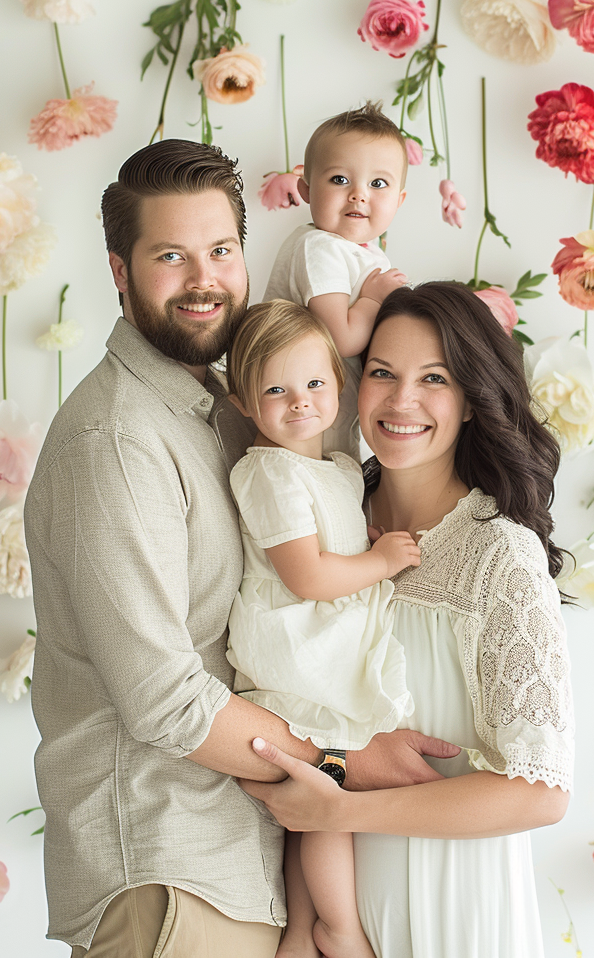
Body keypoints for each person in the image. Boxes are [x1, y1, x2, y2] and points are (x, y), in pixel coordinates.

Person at [24, 140, 459, 958]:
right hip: (167, 871)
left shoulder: (231, 414)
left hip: (236, 859)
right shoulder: (117, 439)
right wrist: (343, 759)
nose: (204, 280)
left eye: (221, 251)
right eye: (170, 256)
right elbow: (164, 699)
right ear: (119, 270)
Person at [241, 281, 575, 958]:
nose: (401, 401)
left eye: (434, 379)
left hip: (453, 908)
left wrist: (343, 808)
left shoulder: (497, 552)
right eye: (383, 374)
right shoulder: (319, 518)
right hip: (326, 908)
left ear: (472, 400)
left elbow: (540, 792)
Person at [226, 299, 420, 958]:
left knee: (312, 801)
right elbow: (307, 575)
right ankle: (338, 928)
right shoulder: (267, 472)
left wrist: (364, 554)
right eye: (275, 389)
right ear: (244, 400)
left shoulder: (336, 469)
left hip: (327, 639)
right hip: (297, 647)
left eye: (313, 383)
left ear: (338, 385)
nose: (299, 402)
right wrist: (379, 560)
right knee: (328, 790)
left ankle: (302, 930)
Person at [263, 101, 410, 461]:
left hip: (332, 413)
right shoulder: (320, 248)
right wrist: (374, 300)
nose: (359, 193)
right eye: (340, 179)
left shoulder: (364, 252)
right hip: (301, 415)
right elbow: (342, 339)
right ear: (307, 190)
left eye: (378, 183)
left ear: (399, 200)